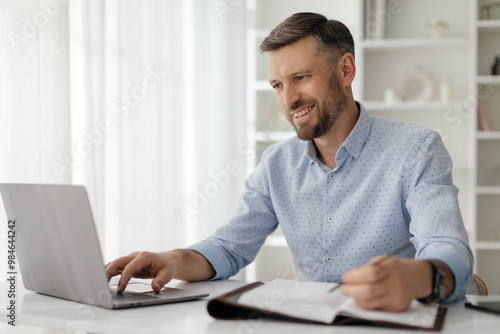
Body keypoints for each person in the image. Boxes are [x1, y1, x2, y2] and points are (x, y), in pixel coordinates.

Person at [106, 12, 473, 312]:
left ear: (345, 71)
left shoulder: (416, 149)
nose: (289, 100)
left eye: (300, 78)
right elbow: (231, 247)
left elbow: (448, 247)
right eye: (278, 85)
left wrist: (419, 277)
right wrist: (173, 259)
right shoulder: (277, 163)